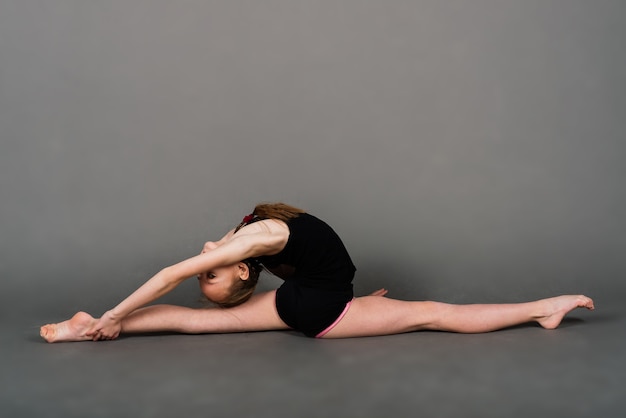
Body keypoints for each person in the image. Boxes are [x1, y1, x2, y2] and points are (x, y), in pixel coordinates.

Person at [40, 202, 594, 343]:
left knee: (188, 322)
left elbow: (170, 278)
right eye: (207, 274)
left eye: (207, 275)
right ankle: (540, 308)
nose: (201, 266)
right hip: (319, 307)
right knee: (432, 314)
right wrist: (352, 304)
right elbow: (171, 272)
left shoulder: (256, 237)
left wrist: (115, 313)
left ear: (239, 273)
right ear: (240, 273)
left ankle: (89, 327)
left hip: (313, 302)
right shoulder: (254, 237)